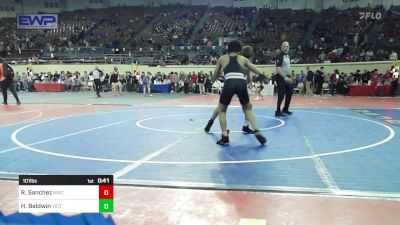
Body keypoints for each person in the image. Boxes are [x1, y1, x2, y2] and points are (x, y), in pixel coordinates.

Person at [205, 40, 266, 145]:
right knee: (247, 109)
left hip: (229, 83)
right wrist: (262, 75)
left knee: (222, 110)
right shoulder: (243, 59)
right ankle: (256, 130)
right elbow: (255, 70)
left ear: (228, 49)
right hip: (241, 83)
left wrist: (213, 79)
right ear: (239, 50)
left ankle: (224, 136)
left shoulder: (222, 58)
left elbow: (214, 76)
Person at [275, 41, 293, 116]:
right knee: (281, 95)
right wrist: (285, 77)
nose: (286, 48)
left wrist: (290, 76)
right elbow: (278, 69)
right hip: (281, 77)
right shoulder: (280, 56)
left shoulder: (288, 56)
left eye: (287, 46)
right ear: (281, 47)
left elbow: (287, 68)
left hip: (287, 77)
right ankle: (278, 111)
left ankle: (285, 109)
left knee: (290, 92)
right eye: (285, 46)